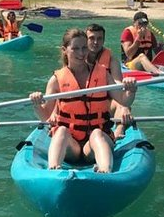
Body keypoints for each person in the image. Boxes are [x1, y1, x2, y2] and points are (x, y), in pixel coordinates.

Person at [29, 29, 137, 173]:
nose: (81, 53)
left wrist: (131, 90)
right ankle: (53, 169)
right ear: (65, 50)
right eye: (75, 49)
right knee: (60, 130)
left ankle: (105, 171)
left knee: (96, 134)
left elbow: (124, 100)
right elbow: (45, 116)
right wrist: (37, 105)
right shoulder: (56, 80)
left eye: (84, 47)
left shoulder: (103, 74)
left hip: (94, 144)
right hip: (71, 145)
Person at [86, 23, 132, 139]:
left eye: (99, 38)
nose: (96, 42)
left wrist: (124, 102)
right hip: (83, 103)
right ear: (85, 40)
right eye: (92, 38)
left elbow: (117, 82)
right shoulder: (78, 58)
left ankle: (119, 130)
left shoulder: (112, 61)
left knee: (121, 105)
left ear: (104, 40)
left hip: (105, 102)